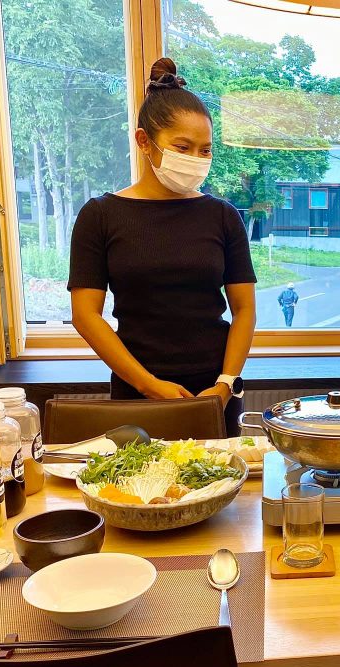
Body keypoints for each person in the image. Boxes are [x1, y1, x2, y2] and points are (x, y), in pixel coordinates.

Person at [68, 57, 256, 436]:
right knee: (140, 491)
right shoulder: (101, 215)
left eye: (205, 150)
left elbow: (244, 310)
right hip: (136, 390)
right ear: (143, 141)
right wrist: (147, 385)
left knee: (219, 488)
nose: (195, 160)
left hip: (214, 391)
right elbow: (86, 315)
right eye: (183, 147)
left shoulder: (222, 216)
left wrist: (224, 384)